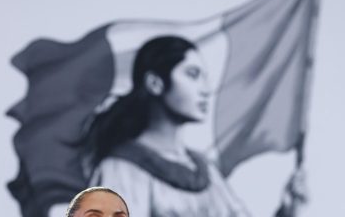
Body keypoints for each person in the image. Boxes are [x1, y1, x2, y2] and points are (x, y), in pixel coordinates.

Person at [85, 36, 251, 217]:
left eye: (205, 78)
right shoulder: (121, 169)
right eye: (192, 75)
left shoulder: (205, 170)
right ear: (155, 83)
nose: (206, 90)